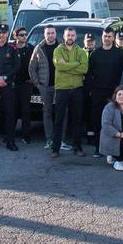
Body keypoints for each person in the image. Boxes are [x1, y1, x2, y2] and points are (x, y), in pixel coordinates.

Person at [87, 26, 123, 157]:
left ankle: (115, 149)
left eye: (110, 36)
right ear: (102, 36)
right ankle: (98, 148)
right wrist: (90, 90)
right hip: (98, 92)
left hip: (114, 93)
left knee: (115, 120)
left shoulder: (119, 53)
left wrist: (122, 91)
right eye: (105, 36)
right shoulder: (95, 54)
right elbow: (89, 74)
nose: (107, 39)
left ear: (113, 37)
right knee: (98, 120)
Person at [50, 27, 89, 158]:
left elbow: (84, 69)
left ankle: (77, 148)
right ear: (64, 36)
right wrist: (75, 64)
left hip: (77, 89)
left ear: (76, 36)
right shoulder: (58, 50)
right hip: (62, 89)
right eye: (68, 35)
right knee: (58, 119)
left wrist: (67, 66)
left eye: (72, 35)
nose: (70, 37)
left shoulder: (81, 51)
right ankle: (55, 149)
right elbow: (59, 66)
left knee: (77, 120)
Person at [29, 26, 60, 149]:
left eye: (52, 33)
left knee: (60, 113)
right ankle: (49, 139)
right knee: (46, 112)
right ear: (44, 34)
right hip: (44, 87)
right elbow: (32, 67)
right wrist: (37, 84)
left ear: (56, 34)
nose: (50, 35)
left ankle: (60, 139)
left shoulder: (61, 47)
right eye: (48, 33)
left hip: (60, 86)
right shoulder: (39, 48)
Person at [12, 26, 35, 144]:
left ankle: (26, 136)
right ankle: (10, 135)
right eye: (21, 35)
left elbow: (38, 65)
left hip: (27, 84)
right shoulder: (11, 49)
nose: (24, 37)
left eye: (26, 34)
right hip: (13, 84)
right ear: (15, 36)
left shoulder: (32, 48)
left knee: (26, 110)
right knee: (13, 110)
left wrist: (33, 78)